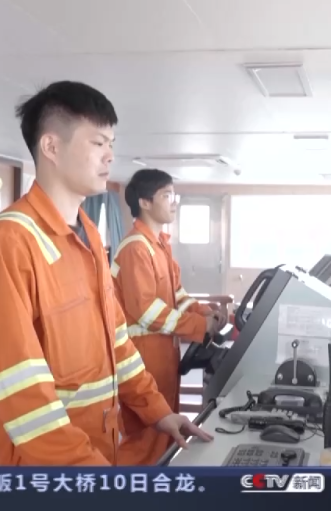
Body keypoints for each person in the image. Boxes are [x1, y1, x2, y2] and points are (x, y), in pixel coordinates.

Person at [0, 81, 212, 466]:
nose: (110, 155)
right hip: (44, 472)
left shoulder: (91, 236)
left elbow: (118, 343)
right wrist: (88, 473)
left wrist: (159, 412)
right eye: (98, 143)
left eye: (111, 143)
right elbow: (21, 393)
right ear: (51, 147)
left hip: (99, 452)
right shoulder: (6, 243)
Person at [110, 169, 224, 465]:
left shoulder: (159, 246)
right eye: (167, 195)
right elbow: (147, 312)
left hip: (163, 356)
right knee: (145, 438)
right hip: (142, 358)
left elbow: (177, 296)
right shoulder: (136, 248)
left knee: (164, 432)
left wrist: (205, 313)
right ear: (145, 202)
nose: (174, 202)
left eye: (175, 195)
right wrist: (199, 325)